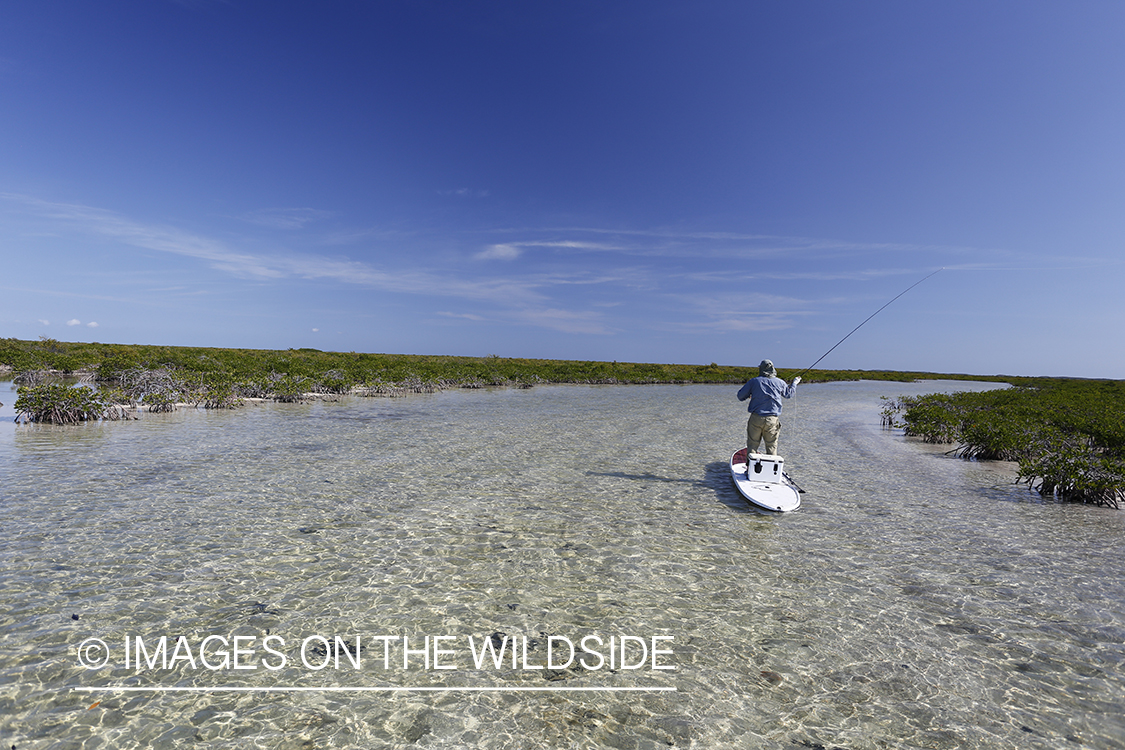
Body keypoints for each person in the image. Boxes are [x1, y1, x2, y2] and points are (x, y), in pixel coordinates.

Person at [737, 360, 800, 457]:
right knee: (771, 446)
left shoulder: (753, 381)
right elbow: (789, 394)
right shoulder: (780, 382)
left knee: (752, 445)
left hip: (756, 419)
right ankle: (772, 470)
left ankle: (750, 469)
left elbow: (740, 396)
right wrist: (795, 383)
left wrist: (750, 394)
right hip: (772, 420)